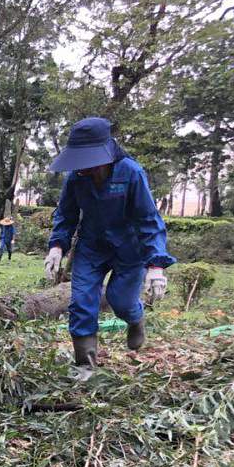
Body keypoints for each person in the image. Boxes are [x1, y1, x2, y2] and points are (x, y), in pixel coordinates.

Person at [44, 117, 173, 373]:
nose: (83, 168)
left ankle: (135, 318)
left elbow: (148, 219)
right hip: (92, 246)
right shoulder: (76, 178)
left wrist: (156, 265)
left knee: (120, 300)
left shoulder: (131, 173)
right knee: (81, 301)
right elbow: (66, 214)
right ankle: (85, 365)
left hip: (130, 248)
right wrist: (57, 246)